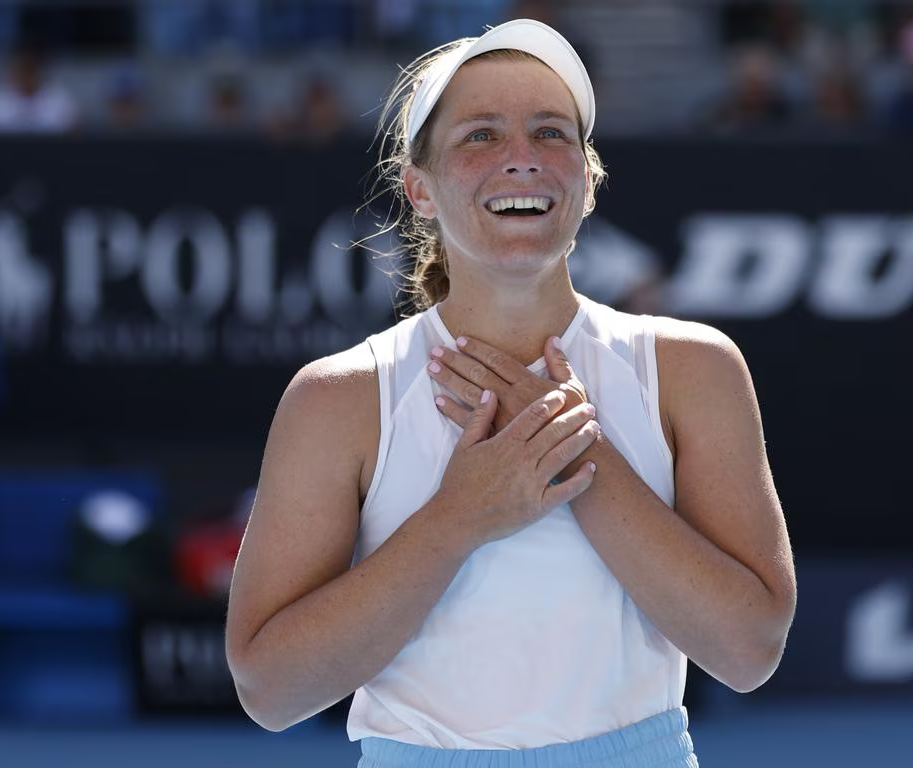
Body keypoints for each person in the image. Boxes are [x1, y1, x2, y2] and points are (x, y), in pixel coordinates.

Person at [225, 18, 796, 767]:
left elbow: (749, 651)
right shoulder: (338, 398)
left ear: (588, 183)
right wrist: (461, 516)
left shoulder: (695, 368)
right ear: (418, 190)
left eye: (552, 133)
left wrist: (570, 454)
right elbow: (269, 690)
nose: (523, 159)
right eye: (481, 135)